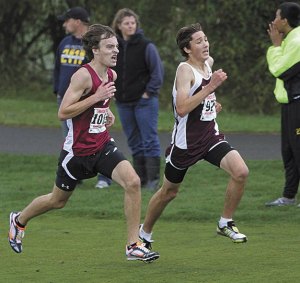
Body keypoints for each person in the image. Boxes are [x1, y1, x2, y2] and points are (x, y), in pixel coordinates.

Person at [8, 24, 159, 263]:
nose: (115, 51)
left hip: (102, 146)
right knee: (57, 201)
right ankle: (18, 220)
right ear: (95, 50)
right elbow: (63, 111)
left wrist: (106, 112)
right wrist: (96, 98)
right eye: (109, 46)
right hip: (77, 153)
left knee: (132, 182)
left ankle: (133, 245)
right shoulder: (82, 76)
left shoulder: (111, 74)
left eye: (116, 46)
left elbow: (100, 109)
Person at [138, 23, 249, 250]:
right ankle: (144, 233)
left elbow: (200, 101)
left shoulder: (208, 64)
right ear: (187, 49)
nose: (205, 44)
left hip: (210, 136)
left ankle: (225, 222)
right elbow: (181, 108)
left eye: (205, 39)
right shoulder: (184, 70)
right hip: (185, 143)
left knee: (241, 172)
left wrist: (210, 105)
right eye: (198, 41)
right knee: (169, 192)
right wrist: (210, 89)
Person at [54, 6, 112, 189]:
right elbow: (58, 67)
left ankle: (104, 177)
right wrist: (57, 89)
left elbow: (102, 73)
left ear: (77, 21)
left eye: (67, 20)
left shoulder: (94, 46)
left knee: (97, 135)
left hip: (92, 100)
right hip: (66, 98)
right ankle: (73, 176)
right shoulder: (64, 42)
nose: (64, 24)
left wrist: (103, 102)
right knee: (72, 139)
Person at [111, 8, 164, 191]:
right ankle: (139, 178)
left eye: (133, 23)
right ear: (119, 26)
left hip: (144, 102)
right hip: (123, 102)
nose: (130, 26)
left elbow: (157, 73)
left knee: (149, 139)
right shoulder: (114, 47)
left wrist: (148, 92)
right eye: (126, 23)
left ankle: (153, 179)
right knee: (134, 141)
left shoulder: (146, 45)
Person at [265, 2, 300, 207]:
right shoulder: (291, 39)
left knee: (298, 150)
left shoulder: (296, 41)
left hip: (298, 104)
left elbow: (279, 69)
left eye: (277, 16)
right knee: (289, 152)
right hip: (289, 105)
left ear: (285, 20)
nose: (274, 20)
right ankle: (288, 197)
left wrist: (275, 47)